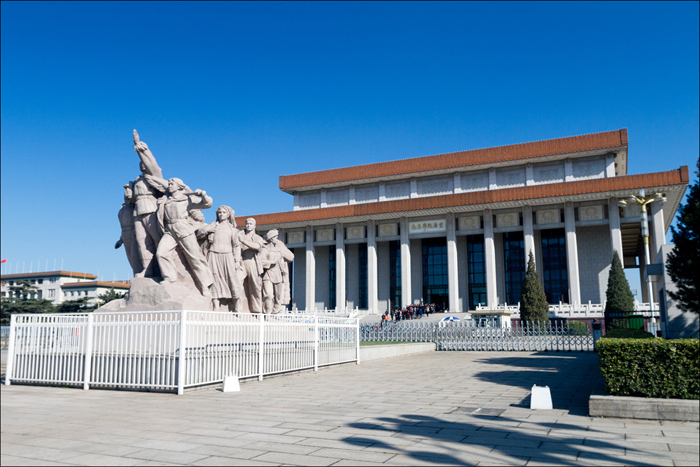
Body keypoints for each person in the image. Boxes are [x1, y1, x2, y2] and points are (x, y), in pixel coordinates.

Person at [155, 178, 214, 296]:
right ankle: (170, 278)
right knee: (161, 253)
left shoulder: (186, 198)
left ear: (179, 186)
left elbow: (207, 204)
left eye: (172, 184)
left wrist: (203, 195)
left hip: (183, 228)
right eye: (169, 184)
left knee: (195, 257)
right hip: (170, 229)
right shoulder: (166, 199)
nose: (169, 185)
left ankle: (205, 285)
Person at [130, 130, 167, 277]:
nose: (143, 165)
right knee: (141, 241)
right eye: (141, 164)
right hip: (138, 210)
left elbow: (154, 165)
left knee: (157, 240)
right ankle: (147, 269)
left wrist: (139, 146)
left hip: (151, 207)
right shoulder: (137, 180)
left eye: (145, 163)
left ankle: (163, 269)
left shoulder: (154, 176)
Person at [197, 206, 242, 311]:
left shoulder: (233, 229)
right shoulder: (213, 225)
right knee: (214, 279)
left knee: (232, 279)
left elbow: (236, 246)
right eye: (219, 212)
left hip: (228, 256)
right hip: (213, 255)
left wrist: (237, 260)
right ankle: (216, 306)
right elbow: (199, 234)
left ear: (228, 214)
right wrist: (207, 229)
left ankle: (236, 305)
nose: (221, 214)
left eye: (224, 212)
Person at [260, 229, 294, 314]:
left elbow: (291, 257)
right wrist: (271, 262)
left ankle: (274, 313)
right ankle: (267, 313)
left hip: (278, 275)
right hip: (268, 275)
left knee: (278, 297)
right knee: (268, 295)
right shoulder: (264, 249)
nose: (277, 239)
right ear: (271, 239)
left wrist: (282, 249)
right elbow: (260, 262)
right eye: (276, 237)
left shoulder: (280, 248)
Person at [237, 218, 265, 313]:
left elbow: (257, 246)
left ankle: (257, 310)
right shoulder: (239, 235)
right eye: (247, 223)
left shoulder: (258, 237)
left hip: (252, 262)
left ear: (254, 226)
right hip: (241, 262)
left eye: (250, 223)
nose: (248, 225)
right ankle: (238, 308)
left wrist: (243, 241)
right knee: (237, 283)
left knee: (255, 287)